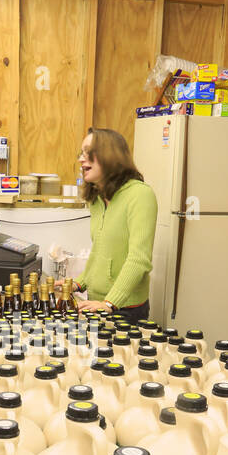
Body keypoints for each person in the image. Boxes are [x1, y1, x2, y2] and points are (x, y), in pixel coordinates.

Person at [73, 127, 157, 322]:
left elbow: (139, 259)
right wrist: (79, 284)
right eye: (81, 153)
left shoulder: (140, 195)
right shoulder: (96, 198)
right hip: (96, 304)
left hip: (125, 309)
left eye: (88, 152)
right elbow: (101, 253)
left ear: (109, 156)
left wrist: (110, 303)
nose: (81, 159)